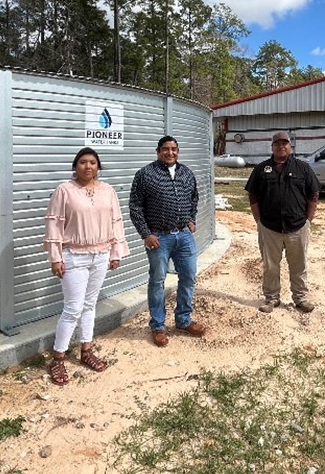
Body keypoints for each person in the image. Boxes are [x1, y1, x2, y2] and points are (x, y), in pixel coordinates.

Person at [42, 147, 129, 386]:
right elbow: (54, 224)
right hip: (73, 257)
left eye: (92, 162)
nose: (87, 166)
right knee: (72, 309)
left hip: (100, 255)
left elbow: (116, 222)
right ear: (75, 166)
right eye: (82, 162)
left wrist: (115, 251)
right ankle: (58, 358)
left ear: (98, 166)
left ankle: (86, 350)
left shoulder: (108, 190)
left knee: (90, 305)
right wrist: (56, 258)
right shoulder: (65, 190)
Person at [129, 135, 205, 347]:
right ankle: (158, 326)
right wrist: (146, 234)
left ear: (178, 151)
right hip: (158, 237)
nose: (170, 153)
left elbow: (194, 198)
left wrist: (191, 218)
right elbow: (135, 206)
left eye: (173, 149)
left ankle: (183, 320)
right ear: (158, 151)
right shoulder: (145, 175)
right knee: (157, 280)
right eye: (165, 149)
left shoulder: (186, 173)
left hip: (183, 235)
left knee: (189, 276)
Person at [245, 131, 320, 313]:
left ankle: (300, 298)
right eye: (277, 144)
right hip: (269, 227)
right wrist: (258, 219)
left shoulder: (302, 168)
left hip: (298, 226)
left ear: (290, 146)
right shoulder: (262, 169)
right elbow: (252, 194)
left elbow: (313, 193)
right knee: (270, 265)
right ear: (272, 147)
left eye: (285, 143)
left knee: (298, 265)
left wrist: (308, 219)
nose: (281, 146)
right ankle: (271, 298)